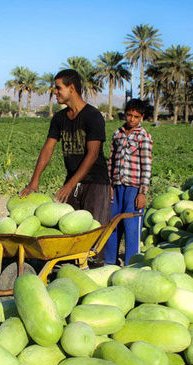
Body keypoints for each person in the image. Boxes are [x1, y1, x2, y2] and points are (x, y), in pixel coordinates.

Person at [20, 69, 110, 229]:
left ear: (72, 88)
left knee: (94, 232)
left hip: (95, 183)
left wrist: (70, 185)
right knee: (68, 231)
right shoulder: (59, 118)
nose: (55, 92)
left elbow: (93, 154)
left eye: (58, 88)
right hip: (72, 181)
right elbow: (48, 149)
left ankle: (96, 256)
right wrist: (34, 180)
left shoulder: (92, 116)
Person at [104, 99, 153, 266]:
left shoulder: (143, 136)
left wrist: (142, 192)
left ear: (142, 117)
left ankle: (132, 263)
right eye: (129, 115)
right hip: (117, 186)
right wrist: (110, 185)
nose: (132, 119)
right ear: (125, 114)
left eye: (136, 116)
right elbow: (111, 160)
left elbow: (146, 165)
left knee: (131, 227)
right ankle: (110, 262)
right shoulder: (117, 134)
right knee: (113, 224)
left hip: (133, 187)